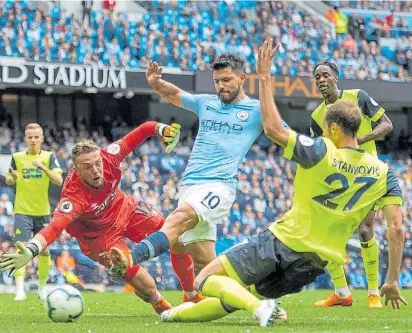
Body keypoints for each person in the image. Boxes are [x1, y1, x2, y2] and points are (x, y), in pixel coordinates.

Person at [158, 40, 406, 327]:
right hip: (314, 263)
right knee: (233, 298)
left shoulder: (321, 153)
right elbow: (396, 228)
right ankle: (171, 315)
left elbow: (274, 129)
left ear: (333, 128)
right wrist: (393, 280)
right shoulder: (383, 172)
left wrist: (264, 77)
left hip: (282, 242)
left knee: (205, 280)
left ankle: (260, 308)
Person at [108, 54, 288, 285]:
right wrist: (155, 83)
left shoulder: (255, 110)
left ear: (242, 78)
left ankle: (131, 258)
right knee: (204, 264)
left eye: (226, 80)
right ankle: (258, 297)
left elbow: (284, 135)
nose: (221, 86)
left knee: (178, 219)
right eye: (217, 81)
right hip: (190, 185)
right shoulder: (206, 103)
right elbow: (176, 95)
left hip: (218, 185)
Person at [0, 121, 200, 314]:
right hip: (99, 238)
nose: (96, 170)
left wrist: (163, 130)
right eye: (87, 167)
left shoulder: (110, 155)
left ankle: (191, 296)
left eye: (97, 163)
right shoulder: (73, 196)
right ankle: (160, 305)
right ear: (76, 170)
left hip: (125, 209)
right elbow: (54, 227)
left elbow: (144, 130)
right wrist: (31, 250)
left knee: (175, 238)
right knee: (147, 287)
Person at [310, 59, 393, 308]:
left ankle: (373, 293)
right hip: (339, 182)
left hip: (368, 176)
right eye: (317, 77)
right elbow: (318, 152)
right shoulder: (316, 116)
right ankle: (342, 293)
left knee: (366, 231)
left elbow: (387, 124)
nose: (321, 80)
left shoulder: (358, 97)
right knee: (325, 236)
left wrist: (361, 138)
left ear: (336, 78)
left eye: (325, 75)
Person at [5, 123, 63, 300]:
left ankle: (42, 288)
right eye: (30, 137)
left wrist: (43, 168)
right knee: (21, 248)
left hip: (43, 211)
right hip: (22, 210)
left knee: (44, 251)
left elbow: (59, 180)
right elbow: (8, 180)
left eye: (36, 137)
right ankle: (20, 289)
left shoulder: (49, 157)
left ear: (42, 138)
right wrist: (12, 178)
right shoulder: (17, 157)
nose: (33, 140)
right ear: (25, 138)